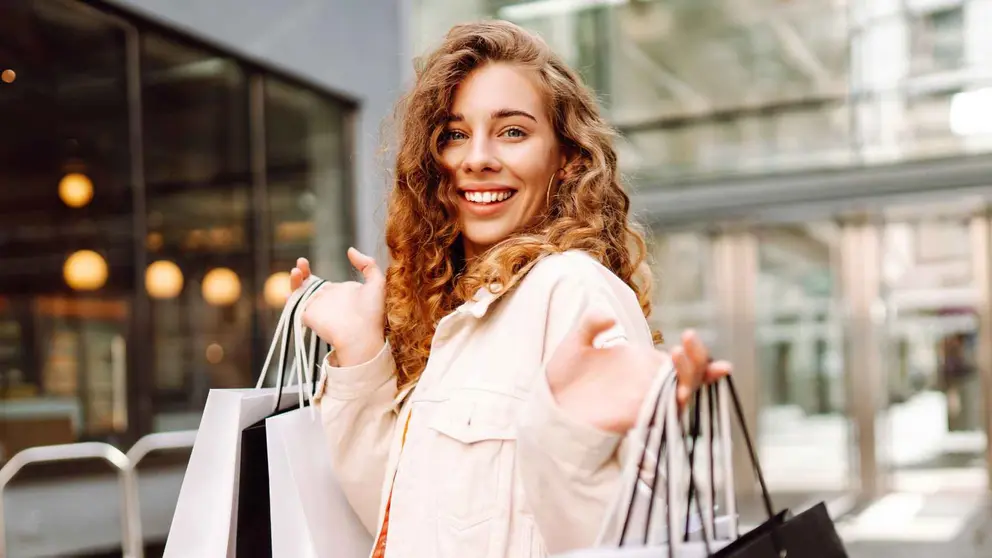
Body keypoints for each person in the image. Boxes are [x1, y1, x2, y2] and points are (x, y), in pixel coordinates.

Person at [290, 20, 732, 558]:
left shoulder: (569, 289)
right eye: (455, 134)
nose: (477, 158)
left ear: (567, 159)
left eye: (513, 131)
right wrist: (361, 351)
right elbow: (404, 521)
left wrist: (575, 442)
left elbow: (626, 542)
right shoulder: (454, 310)